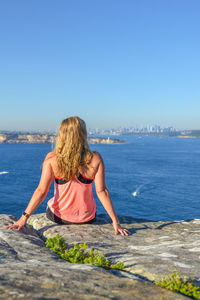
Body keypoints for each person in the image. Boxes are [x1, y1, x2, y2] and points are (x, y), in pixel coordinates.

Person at [5, 117, 130, 236]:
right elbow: (102, 191)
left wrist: (23, 218)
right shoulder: (95, 158)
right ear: (83, 134)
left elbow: (41, 191)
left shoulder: (52, 159)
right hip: (87, 218)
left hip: (59, 217)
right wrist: (115, 222)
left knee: (50, 202)